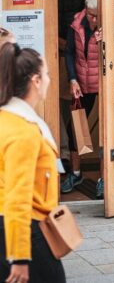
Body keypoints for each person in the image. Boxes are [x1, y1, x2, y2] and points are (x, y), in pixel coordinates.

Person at [0, 43, 66, 283]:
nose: (50, 79)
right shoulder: (24, 132)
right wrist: (19, 258)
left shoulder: (5, 119)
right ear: (36, 80)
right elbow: (18, 198)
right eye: (47, 74)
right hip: (26, 231)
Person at [61, 0, 103, 198]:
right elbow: (69, 52)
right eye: (90, 14)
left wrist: (108, 40)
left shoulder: (112, 25)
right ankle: (76, 173)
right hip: (82, 85)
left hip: (105, 85)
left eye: (97, 15)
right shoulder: (76, 23)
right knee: (75, 129)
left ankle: (106, 179)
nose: (93, 18)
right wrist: (72, 79)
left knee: (108, 132)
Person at [57, 0, 88, 171]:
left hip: (75, 47)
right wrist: (57, 40)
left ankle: (74, 156)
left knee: (75, 104)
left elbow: (82, 14)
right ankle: (63, 152)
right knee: (58, 101)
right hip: (57, 47)